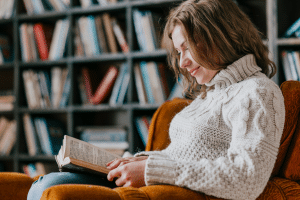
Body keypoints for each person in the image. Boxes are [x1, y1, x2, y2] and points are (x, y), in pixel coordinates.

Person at [27, 0, 285, 199]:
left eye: (188, 48)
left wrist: (152, 169)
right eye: (178, 51)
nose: (183, 63)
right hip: (155, 182)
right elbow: (184, 155)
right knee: (46, 183)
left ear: (219, 36)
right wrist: (140, 160)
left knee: (49, 187)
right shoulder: (214, 92)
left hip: (163, 189)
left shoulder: (257, 92)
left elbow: (247, 177)